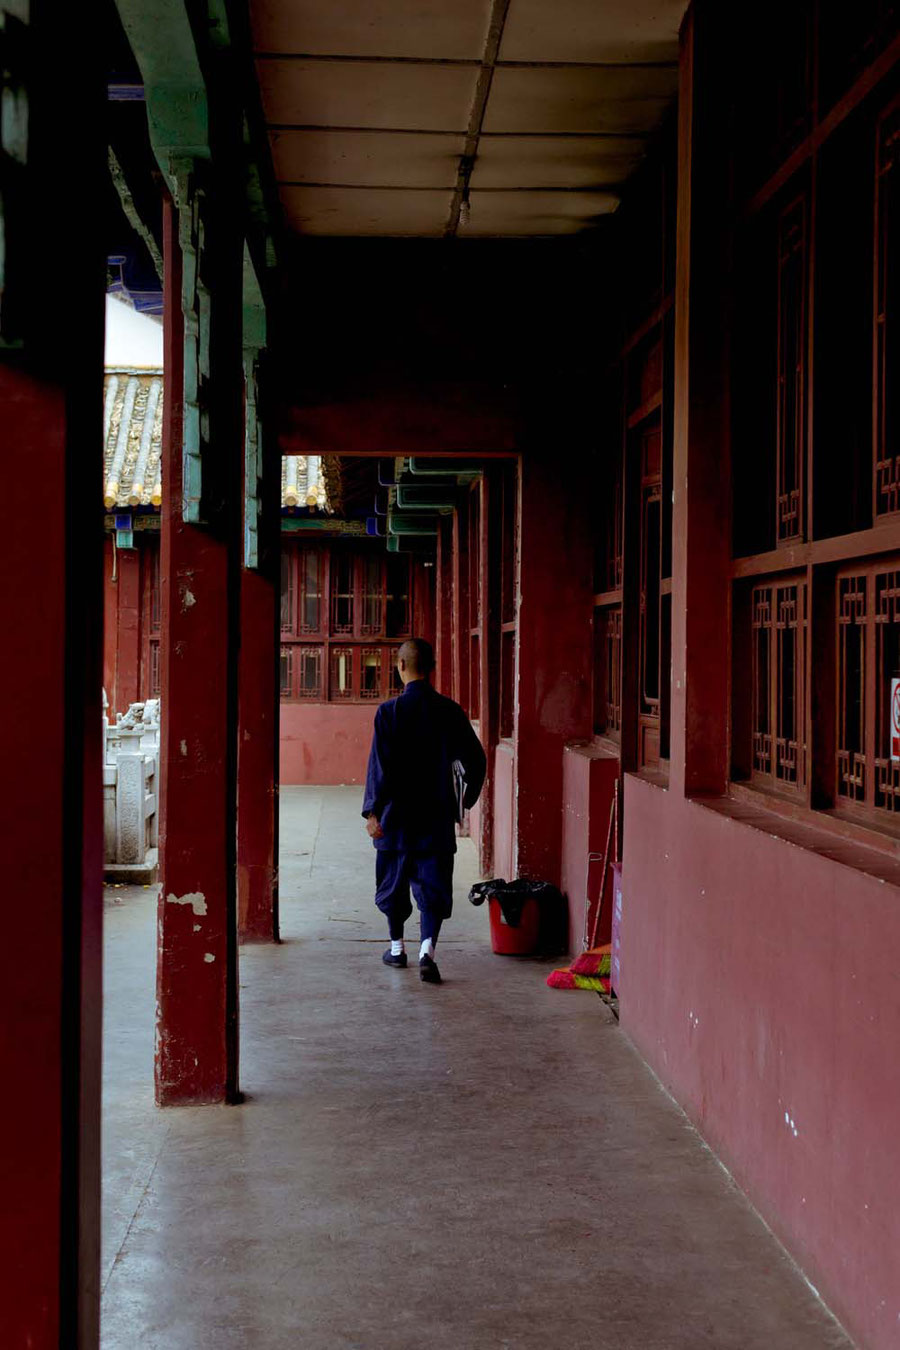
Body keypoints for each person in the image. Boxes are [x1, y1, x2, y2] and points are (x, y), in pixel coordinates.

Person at [362, 637, 486, 984]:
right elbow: (475, 759)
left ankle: (397, 948)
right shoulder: (449, 711)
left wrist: (372, 812)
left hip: (395, 818)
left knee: (392, 883)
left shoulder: (389, 713)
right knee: (433, 884)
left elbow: (379, 767)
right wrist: (466, 800)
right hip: (436, 816)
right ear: (432, 669)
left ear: (400, 666)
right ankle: (427, 951)